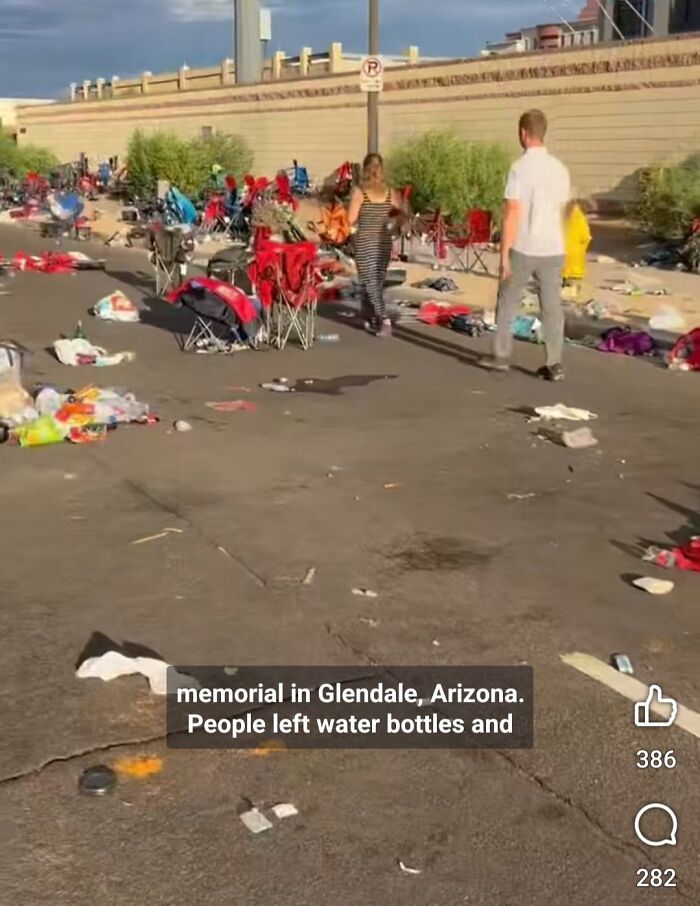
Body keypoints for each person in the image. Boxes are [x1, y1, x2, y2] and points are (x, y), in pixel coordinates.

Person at [486, 109, 571, 381]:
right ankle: (554, 362)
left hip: (524, 246)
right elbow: (565, 212)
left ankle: (501, 355)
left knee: (508, 300)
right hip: (553, 247)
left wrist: (503, 257)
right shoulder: (560, 169)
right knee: (551, 307)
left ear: (523, 133)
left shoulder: (519, 168)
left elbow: (513, 211)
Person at [348, 153, 402, 337]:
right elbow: (401, 214)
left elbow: (350, 219)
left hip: (365, 241)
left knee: (370, 282)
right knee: (376, 281)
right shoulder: (390, 193)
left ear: (365, 169)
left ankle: (384, 319)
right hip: (384, 241)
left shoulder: (360, 192)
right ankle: (367, 315)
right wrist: (390, 224)